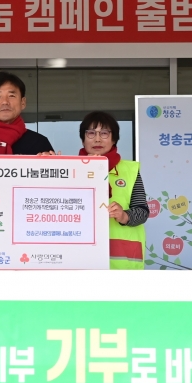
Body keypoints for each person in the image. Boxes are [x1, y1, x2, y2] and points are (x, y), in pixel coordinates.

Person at [78, 111, 148, 270]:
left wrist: (124, 216)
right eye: (91, 133)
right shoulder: (71, 169)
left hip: (122, 262)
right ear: (83, 139)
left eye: (104, 133)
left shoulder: (129, 170)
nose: (97, 139)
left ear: (114, 139)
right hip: (81, 258)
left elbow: (142, 212)